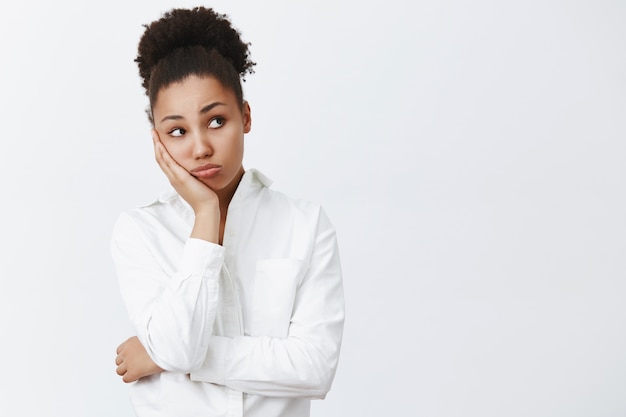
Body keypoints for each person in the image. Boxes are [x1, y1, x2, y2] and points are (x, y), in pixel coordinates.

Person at [111, 6, 345, 417]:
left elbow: (314, 370)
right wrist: (205, 215)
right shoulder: (140, 232)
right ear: (157, 140)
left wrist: (163, 356)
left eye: (216, 120)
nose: (200, 147)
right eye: (177, 131)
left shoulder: (305, 225)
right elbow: (180, 348)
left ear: (246, 116)